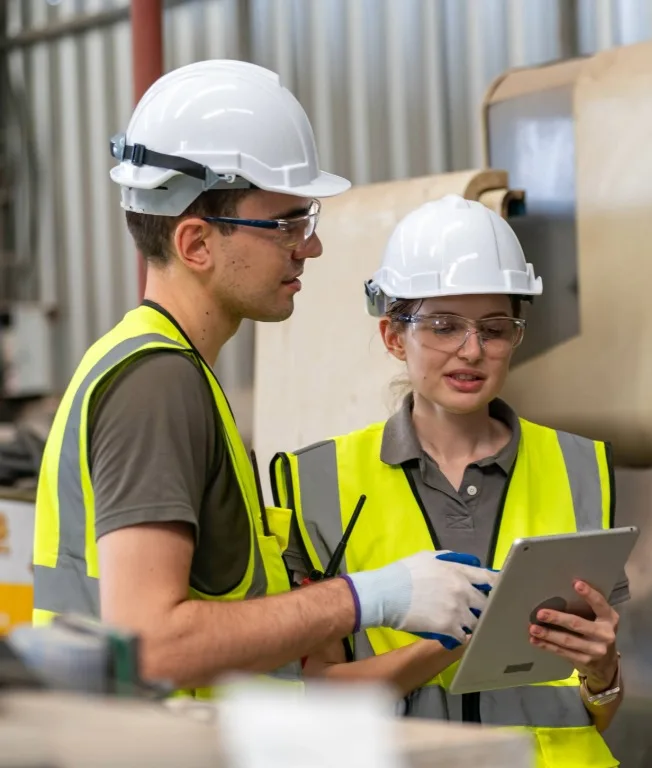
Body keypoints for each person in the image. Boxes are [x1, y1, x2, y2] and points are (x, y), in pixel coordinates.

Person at [30, 60, 498, 697]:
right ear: (196, 243)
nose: (310, 247)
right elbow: (149, 644)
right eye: (287, 224)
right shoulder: (157, 386)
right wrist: (368, 597)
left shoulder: (171, 371)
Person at [271, 194, 628, 767]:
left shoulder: (580, 466)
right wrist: (454, 643)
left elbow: (593, 710)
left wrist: (604, 673)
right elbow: (320, 691)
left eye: (494, 328)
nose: (472, 351)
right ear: (393, 336)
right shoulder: (321, 481)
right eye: (443, 326)